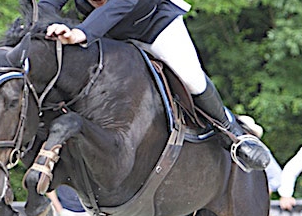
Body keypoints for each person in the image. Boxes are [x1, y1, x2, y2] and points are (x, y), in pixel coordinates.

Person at [39, 0, 270, 172]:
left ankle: (233, 135)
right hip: (110, 38)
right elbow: (46, 4)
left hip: (154, 24)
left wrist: (82, 32)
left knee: (191, 78)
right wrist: (49, 27)